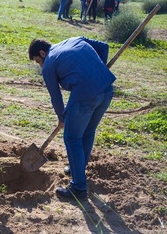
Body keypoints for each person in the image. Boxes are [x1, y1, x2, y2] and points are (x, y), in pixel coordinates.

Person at [28, 37, 116, 199]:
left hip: (85, 96)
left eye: (38, 61)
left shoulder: (49, 64)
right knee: (88, 131)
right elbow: (104, 47)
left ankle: (78, 188)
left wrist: (62, 118)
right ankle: (79, 169)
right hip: (107, 89)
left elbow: (56, 97)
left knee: (71, 137)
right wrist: (99, 69)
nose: (40, 66)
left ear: (42, 53)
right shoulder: (75, 39)